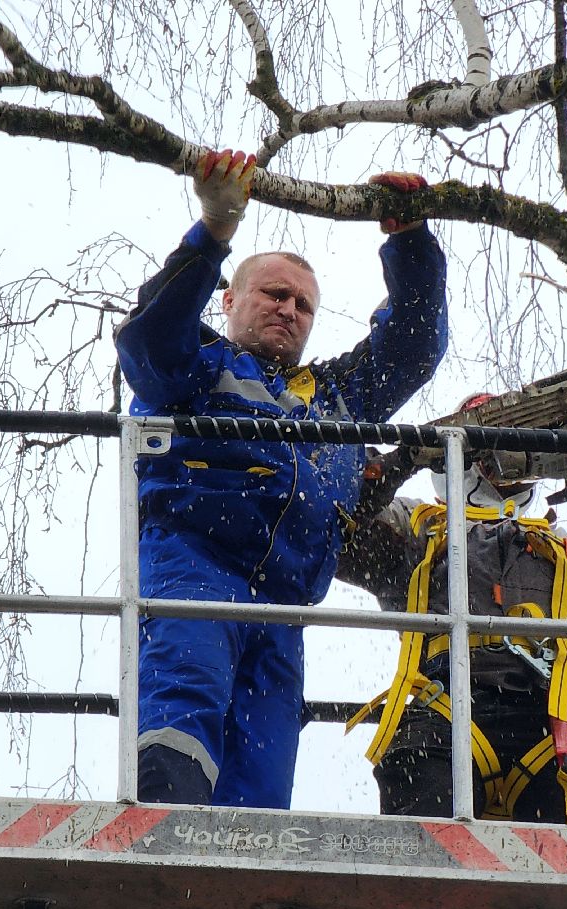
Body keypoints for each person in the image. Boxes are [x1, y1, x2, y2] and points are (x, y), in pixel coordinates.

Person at [116, 148, 448, 808]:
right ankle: (161, 855)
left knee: (261, 786)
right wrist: (213, 232)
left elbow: (413, 347)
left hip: (286, 607)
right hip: (196, 570)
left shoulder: (336, 396)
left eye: (303, 304)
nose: (289, 309)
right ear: (231, 298)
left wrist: (411, 241)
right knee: (184, 715)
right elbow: (149, 336)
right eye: (274, 293)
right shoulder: (197, 367)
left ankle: (232, 901)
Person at [337, 412, 567, 826]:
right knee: (418, 827)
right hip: (447, 704)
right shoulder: (419, 529)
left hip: (555, 715)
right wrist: (404, 458)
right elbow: (338, 528)